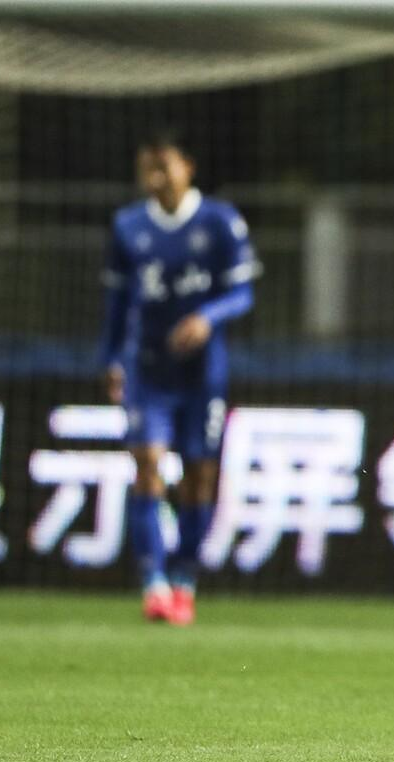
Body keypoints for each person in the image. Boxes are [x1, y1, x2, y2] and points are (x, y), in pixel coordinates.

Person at [99, 131, 258, 626]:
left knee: (198, 476)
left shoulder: (220, 221)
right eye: (146, 168)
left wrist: (207, 317)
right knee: (147, 464)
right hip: (147, 368)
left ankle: (184, 578)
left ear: (187, 166)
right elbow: (117, 302)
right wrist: (110, 358)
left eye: (163, 166)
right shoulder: (127, 226)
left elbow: (243, 293)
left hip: (202, 373)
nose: (154, 178)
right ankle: (154, 584)